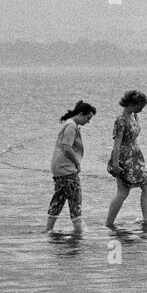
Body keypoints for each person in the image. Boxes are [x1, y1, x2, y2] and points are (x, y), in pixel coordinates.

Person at [105, 90, 147, 227]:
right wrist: (116, 165)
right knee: (123, 192)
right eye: (139, 106)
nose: (141, 109)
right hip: (124, 157)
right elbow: (117, 145)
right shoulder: (121, 120)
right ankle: (109, 223)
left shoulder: (134, 115)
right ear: (131, 104)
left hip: (135, 156)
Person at [46, 100, 95, 234]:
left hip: (59, 169)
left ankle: (49, 229)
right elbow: (67, 147)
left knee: (59, 198)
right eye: (87, 118)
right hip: (66, 169)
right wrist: (77, 163)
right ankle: (78, 230)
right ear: (80, 114)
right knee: (75, 199)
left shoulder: (69, 124)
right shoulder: (71, 126)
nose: (88, 121)